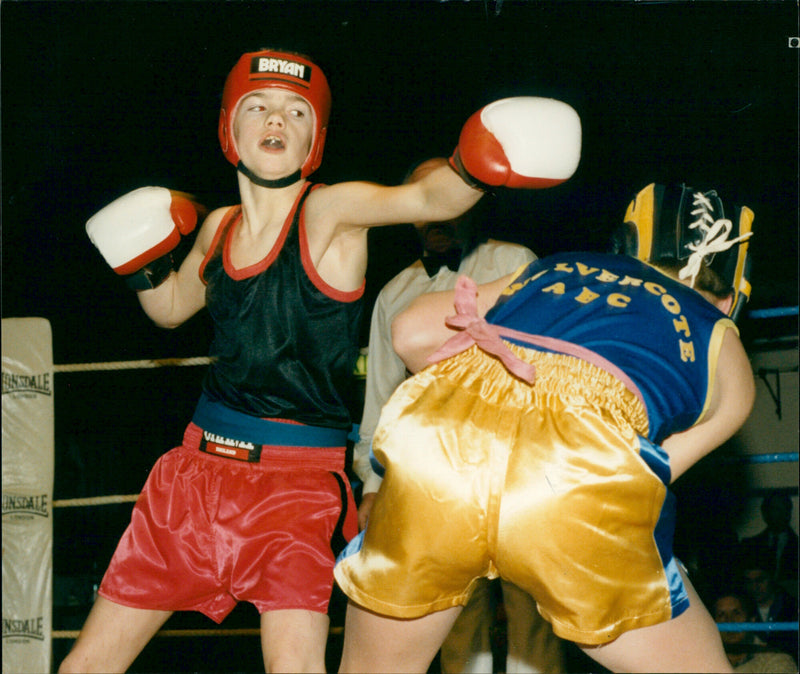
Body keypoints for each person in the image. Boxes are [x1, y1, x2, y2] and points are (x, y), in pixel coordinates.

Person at [58, 48, 582, 673]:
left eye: (294, 111)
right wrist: (142, 269)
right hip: (193, 473)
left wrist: (474, 165)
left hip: (295, 485)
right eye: (258, 106)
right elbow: (172, 309)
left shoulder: (330, 212)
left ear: (314, 140)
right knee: (87, 665)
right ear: (230, 129)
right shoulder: (218, 227)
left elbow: (426, 199)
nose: (275, 119)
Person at [335, 182, 756, 673]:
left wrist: (500, 378)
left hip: (444, 445)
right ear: (729, 296)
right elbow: (654, 473)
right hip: (571, 478)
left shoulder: (554, 268)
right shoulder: (719, 335)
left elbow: (410, 332)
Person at [353, 158, 564, 673]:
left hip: (520, 464)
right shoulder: (393, 295)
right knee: (450, 621)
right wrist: (371, 487)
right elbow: (380, 401)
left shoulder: (517, 261)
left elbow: (552, 367)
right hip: (433, 478)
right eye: (424, 199)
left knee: (531, 618)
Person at [712, 591, 798, 672]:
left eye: (736, 613)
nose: (729, 621)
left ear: (751, 620)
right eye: (721, 615)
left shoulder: (776, 660)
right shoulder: (705, 658)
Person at [738, 546, 799, 660]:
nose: (754, 587)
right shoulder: (740, 610)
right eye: (749, 582)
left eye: (760, 581)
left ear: (772, 578)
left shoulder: (793, 608)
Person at [741, 492, 799, 593]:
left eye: (781, 509)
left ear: (789, 512)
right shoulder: (749, 546)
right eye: (774, 509)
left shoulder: (796, 546)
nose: (778, 514)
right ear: (765, 513)